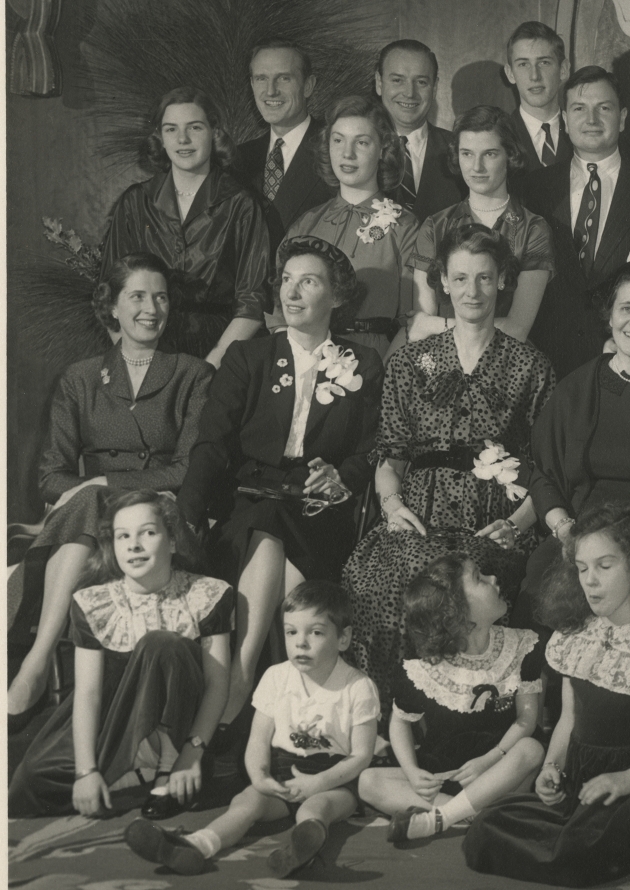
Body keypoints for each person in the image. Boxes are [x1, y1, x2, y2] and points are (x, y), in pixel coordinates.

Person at [178, 236, 384, 729]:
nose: (290, 293)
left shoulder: (363, 363)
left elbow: (372, 449)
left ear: (336, 296)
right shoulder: (248, 357)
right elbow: (212, 444)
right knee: (270, 531)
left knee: (289, 566)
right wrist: (184, 515)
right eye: (286, 280)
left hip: (319, 506)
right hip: (249, 500)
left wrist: (341, 475)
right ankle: (249, 677)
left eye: (307, 282)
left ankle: (244, 693)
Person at [343, 224, 555, 701]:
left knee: (460, 583)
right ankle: (390, 713)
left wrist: (517, 524)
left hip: (492, 521)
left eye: (484, 278)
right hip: (419, 514)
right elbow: (390, 455)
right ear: (442, 281)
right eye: (460, 278)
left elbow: (546, 468)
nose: (471, 291)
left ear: (503, 281)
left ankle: (462, 713)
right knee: (383, 579)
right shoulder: (409, 362)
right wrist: (392, 507)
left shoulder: (531, 365)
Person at [8, 254, 213, 725]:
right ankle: (39, 661)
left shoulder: (193, 374)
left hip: (162, 512)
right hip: (92, 517)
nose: (151, 309)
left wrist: (108, 482)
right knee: (87, 504)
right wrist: (97, 490)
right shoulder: (80, 378)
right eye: (137, 296)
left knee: (88, 501)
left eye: (161, 297)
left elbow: (188, 468)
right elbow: (51, 477)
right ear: (113, 307)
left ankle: (34, 664)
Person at [463, 503, 630, 886]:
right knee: (485, 828)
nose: (590, 581)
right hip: (583, 775)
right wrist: (552, 767)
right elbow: (569, 719)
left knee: (578, 852)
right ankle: (613, 841)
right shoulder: (576, 638)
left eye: (604, 566)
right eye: (582, 568)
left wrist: (627, 780)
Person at [123, 581, 379, 878]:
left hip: (336, 780)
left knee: (316, 807)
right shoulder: (276, 677)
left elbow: (361, 756)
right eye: (291, 632)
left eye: (316, 632)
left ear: (343, 638)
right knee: (245, 802)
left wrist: (318, 783)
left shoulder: (358, 686)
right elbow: (258, 740)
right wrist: (260, 777)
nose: (301, 643)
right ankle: (196, 845)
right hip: (283, 775)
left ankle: (302, 849)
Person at [9, 491, 233, 819]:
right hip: (117, 720)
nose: (134, 545)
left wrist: (192, 752)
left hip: (179, 731)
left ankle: (168, 769)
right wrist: (86, 771)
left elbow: (217, 683)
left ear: (172, 541)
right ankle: (130, 776)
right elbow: (88, 694)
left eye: (148, 533)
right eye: (123, 536)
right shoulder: (94, 602)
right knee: (31, 782)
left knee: (161, 644)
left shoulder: (206, 594)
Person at [523, 262, 630, 619]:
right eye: (626, 309)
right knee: (537, 588)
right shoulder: (574, 389)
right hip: (577, 536)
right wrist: (566, 532)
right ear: (610, 316)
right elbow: (544, 474)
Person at [358, 554, 545, 844]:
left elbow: (527, 719)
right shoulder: (425, 668)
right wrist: (412, 771)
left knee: (531, 749)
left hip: (500, 770)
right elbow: (400, 721)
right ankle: (471, 815)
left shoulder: (521, 646)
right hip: (445, 771)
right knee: (368, 782)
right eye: (479, 579)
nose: (493, 579)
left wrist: (488, 760)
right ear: (456, 612)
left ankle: (442, 817)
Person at [98, 87, 272, 365]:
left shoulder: (242, 204)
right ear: (160, 137)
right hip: (147, 349)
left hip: (222, 352)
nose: (183, 139)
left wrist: (210, 367)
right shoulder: (135, 202)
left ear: (214, 133)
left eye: (194, 127)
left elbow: (252, 302)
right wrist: (136, 362)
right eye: (171, 129)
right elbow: (111, 292)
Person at [529, 66, 630, 377]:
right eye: (579, 108)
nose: (591, 119)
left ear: (623, 118)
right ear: (564, 119)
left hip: (626, 361)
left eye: (604, 108)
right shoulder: (533, 190)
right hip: (545, 361)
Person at [280, 93, 419, 356]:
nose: (347, 153)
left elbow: (414, 320)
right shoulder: (306, 224)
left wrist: (383, 371)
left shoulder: (405, 227)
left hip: (377, 357)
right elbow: (278, 313)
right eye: (338, 140)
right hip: (304, 355)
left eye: (362, 142)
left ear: (383, 149)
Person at [409, 103, 555, 344]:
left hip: (508, 359)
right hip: (442, 357)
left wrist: (438, 325)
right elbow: (419, 328)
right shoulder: (435, 226)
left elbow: (517, 328)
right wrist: (428, 325)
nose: (476, 167)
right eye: (467, 154)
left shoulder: (532, 229)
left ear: (510, 156)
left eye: (489, 154)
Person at [229, 39, 333, 249]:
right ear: (252, 85)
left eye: (284, 78)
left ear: (308, 86)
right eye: (261, 79)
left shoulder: (336, 149)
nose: (270, 91)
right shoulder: (238, 159)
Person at [376, 39, 465, 221]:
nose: (410, 93)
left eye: (421, 82)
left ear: (435, 87)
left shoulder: (461, 150)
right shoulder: (354, 149)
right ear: (379, 83)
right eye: (397, 80)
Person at [502, 22, 572, 208]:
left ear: (563, 69)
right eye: (523, 64)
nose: (534, 76)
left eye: (544, 62)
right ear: (510, 73)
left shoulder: (582, 131)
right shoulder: (500, 136)